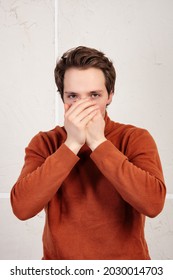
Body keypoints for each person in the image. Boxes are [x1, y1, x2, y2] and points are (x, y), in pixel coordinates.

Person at [11, 46, 166, 260]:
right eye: (73, 96)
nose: (83, 105)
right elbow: (22, 208)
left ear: (110, 95)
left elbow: (153, 204)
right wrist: (72, 144)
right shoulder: (45, 142)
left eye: (94, 95)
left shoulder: (134, 138)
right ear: (63, 98)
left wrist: (98, 142)